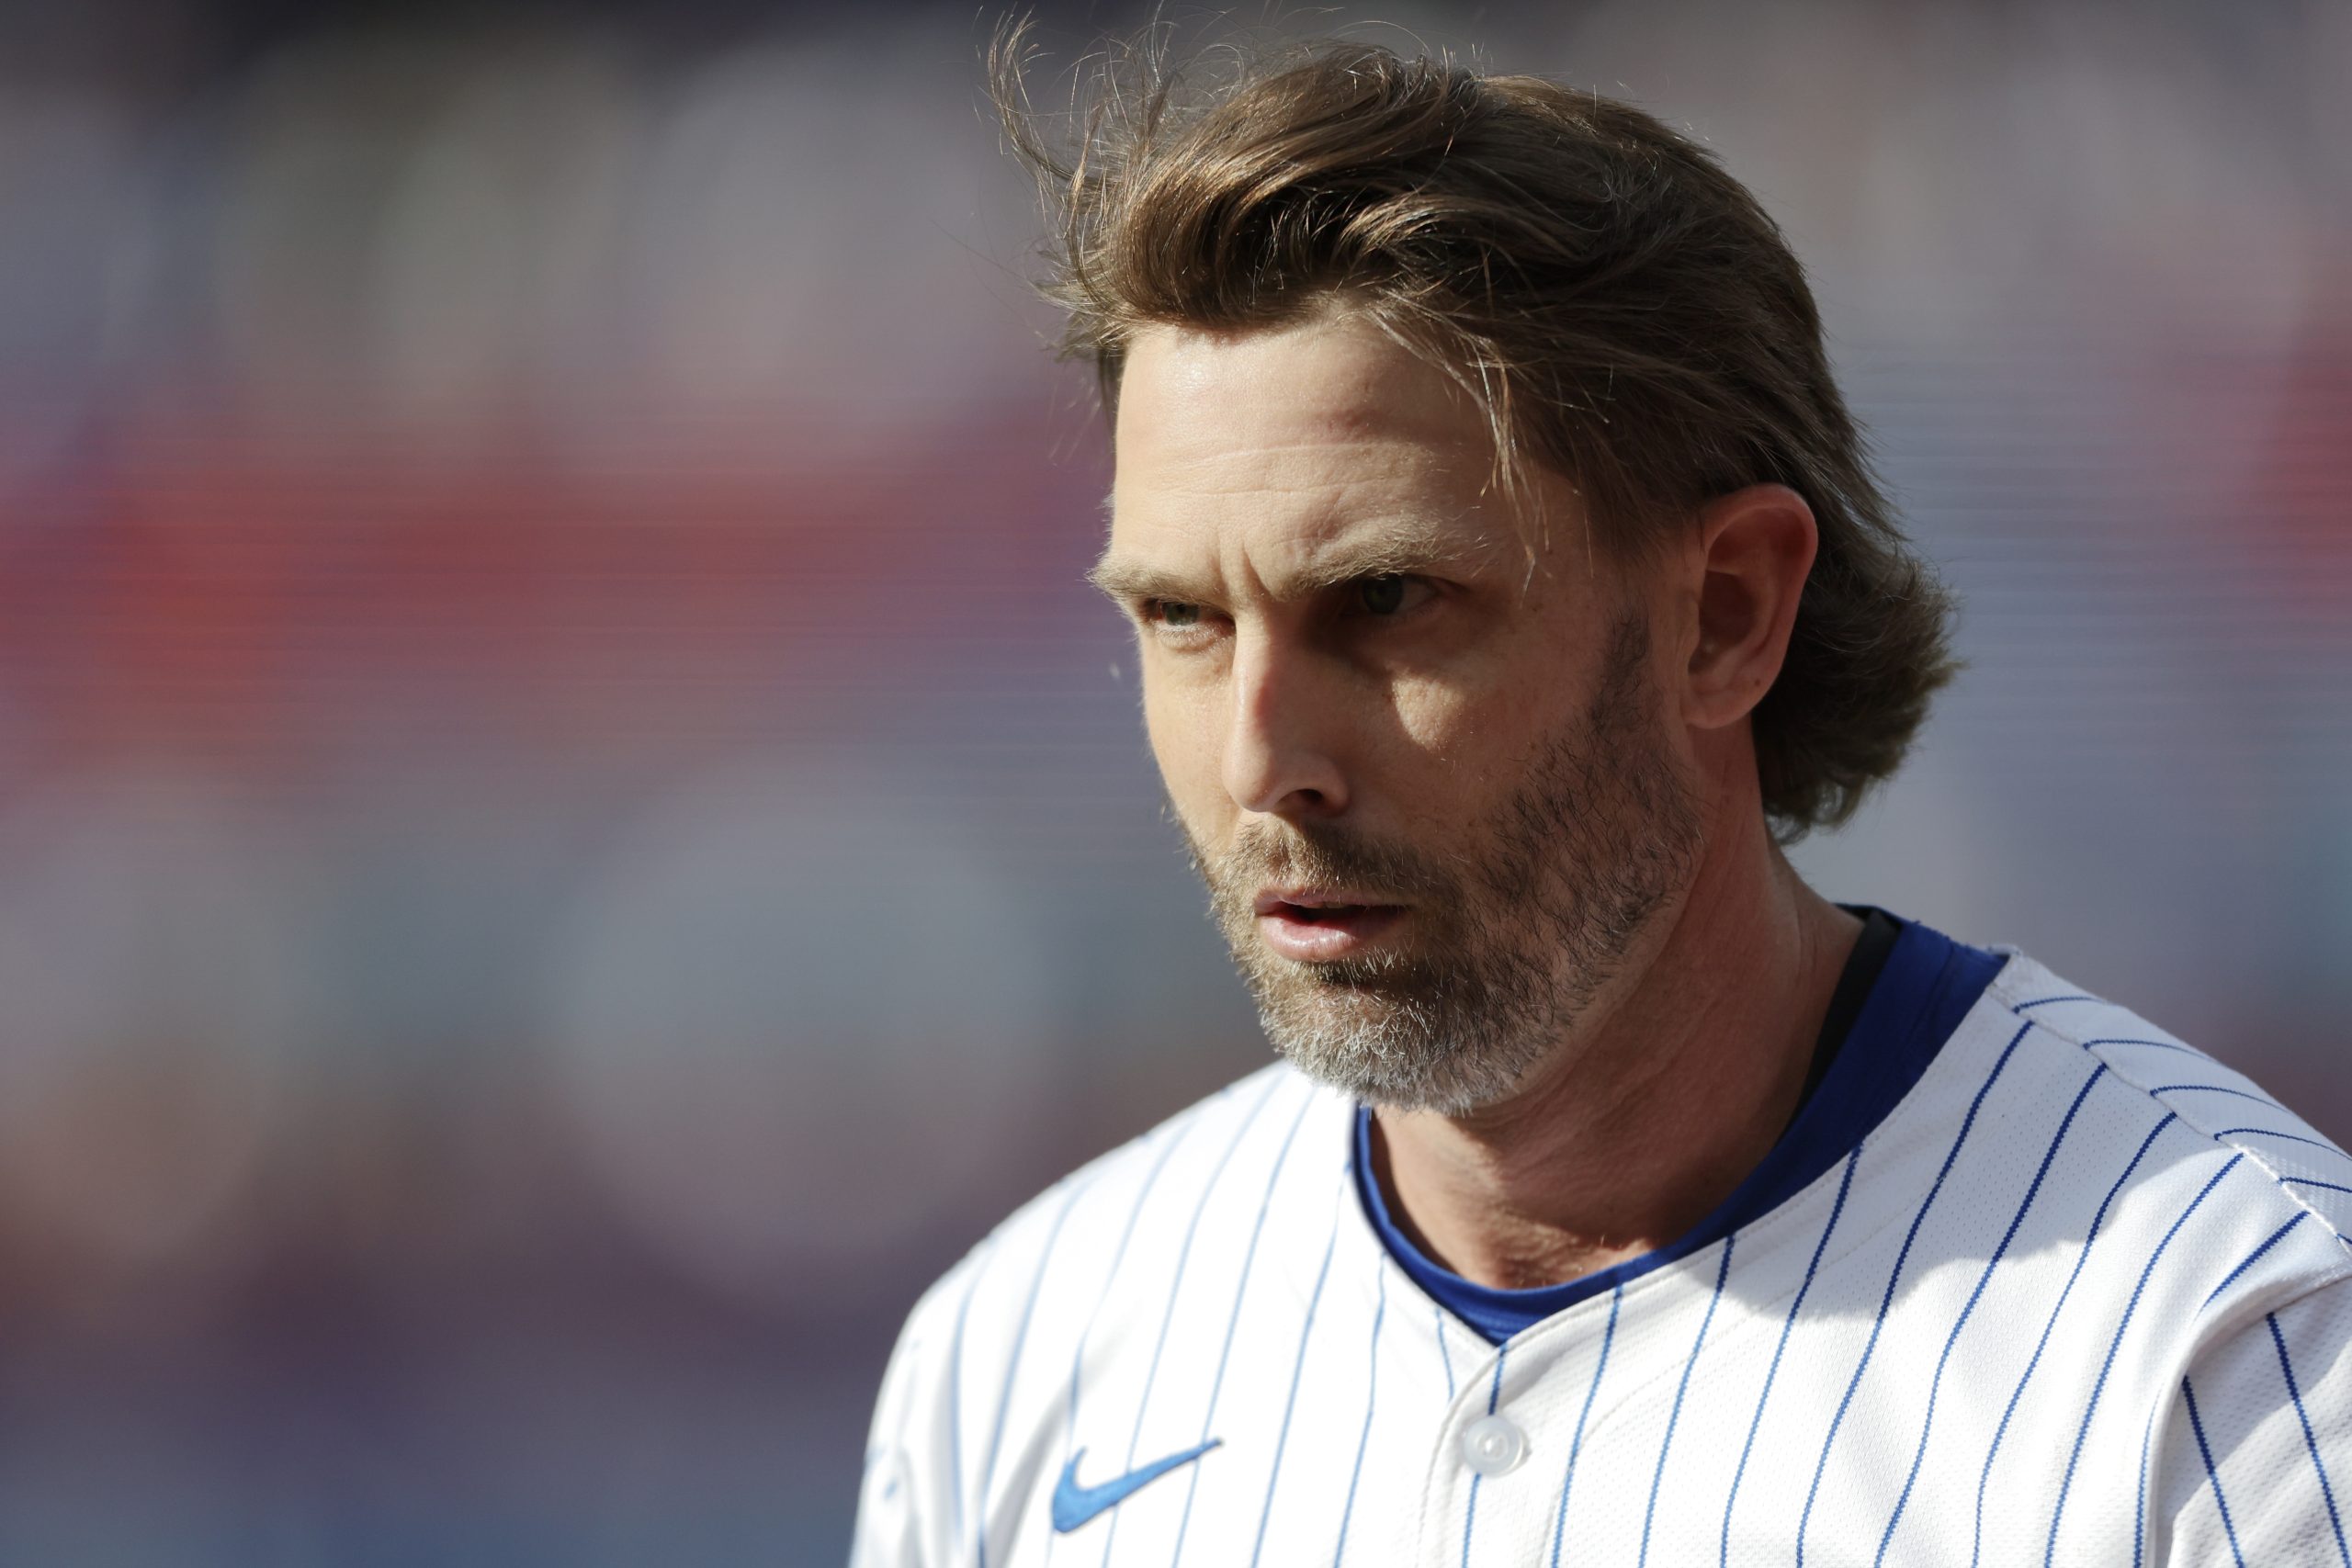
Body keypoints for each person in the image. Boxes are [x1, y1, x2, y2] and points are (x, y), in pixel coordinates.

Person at [850, 29, 2352, 1568]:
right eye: (1183, 618)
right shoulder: (1023, 1350)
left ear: (1727, 613)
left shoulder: (2242, 1355)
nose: (1260, 760)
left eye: (1387, 600)